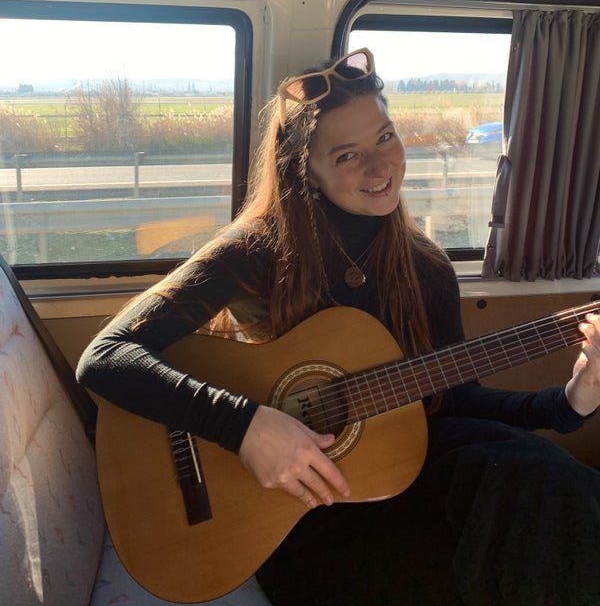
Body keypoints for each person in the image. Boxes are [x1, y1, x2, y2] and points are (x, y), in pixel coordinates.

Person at [77, 48, 600, 606]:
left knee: (544, 477)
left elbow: (457, 400)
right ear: (307, 170)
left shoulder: (425, 266)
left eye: (385, 137)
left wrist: (569, 402)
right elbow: (106, 356)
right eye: (348, 155)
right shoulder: (257, 251)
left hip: (400, 478)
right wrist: (245, 427)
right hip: (294, 509)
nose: (380, 167)